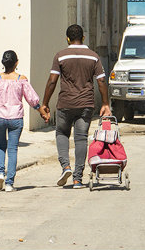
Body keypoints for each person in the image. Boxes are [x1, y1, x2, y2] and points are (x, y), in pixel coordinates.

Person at [40, 24, 111, 189]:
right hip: (86, 104)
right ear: (83, 38)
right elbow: (101, 81)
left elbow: (52, 81)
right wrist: (105, 103)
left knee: (62, 133)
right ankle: (78, 179)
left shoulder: (61, 56)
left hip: (65, 104)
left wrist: (45, 103)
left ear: (67, 38)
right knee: (81, 139)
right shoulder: (93, 57)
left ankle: (65, 167)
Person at [0, 50, 42, 192]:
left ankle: (0, 173)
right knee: (13, 150)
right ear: (16, 63)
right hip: (15, 119)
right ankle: (9, 183)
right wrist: (42, 112)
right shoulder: (21, 79)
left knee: (0, 146)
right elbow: (32, 100)